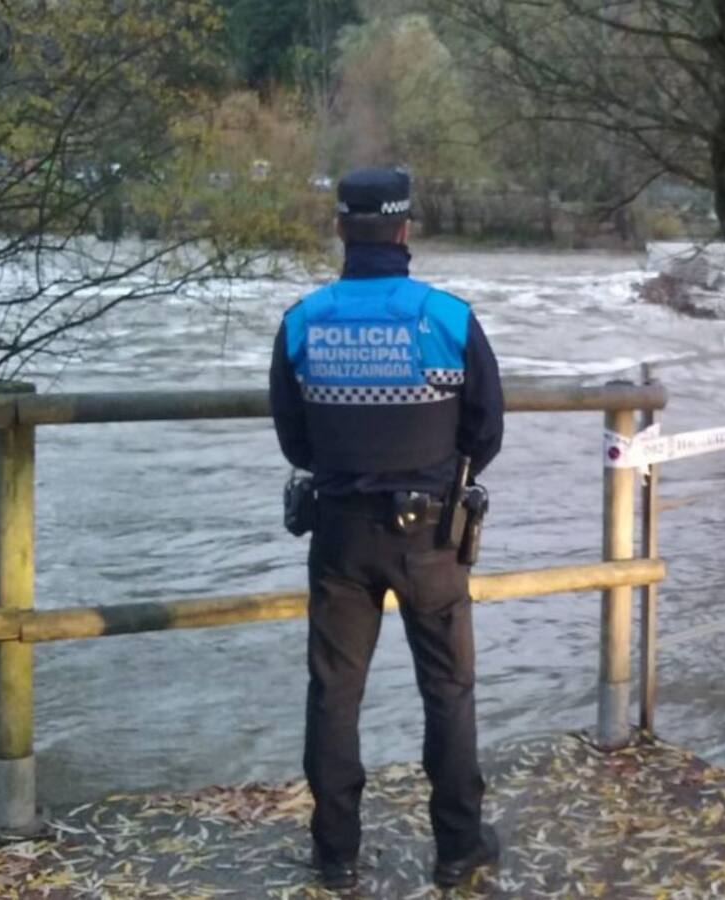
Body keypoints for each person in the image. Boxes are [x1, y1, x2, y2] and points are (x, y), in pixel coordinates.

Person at [269, 167, 504, 891]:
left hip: (338, 534)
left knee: (335, 693)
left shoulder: (303, 320)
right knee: (448, 689)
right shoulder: (449, 320)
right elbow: (486, 429)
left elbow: (294, 440)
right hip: (431, 536)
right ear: (405, 230)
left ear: (341, 228)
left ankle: (335, 854)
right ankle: (459, 846)